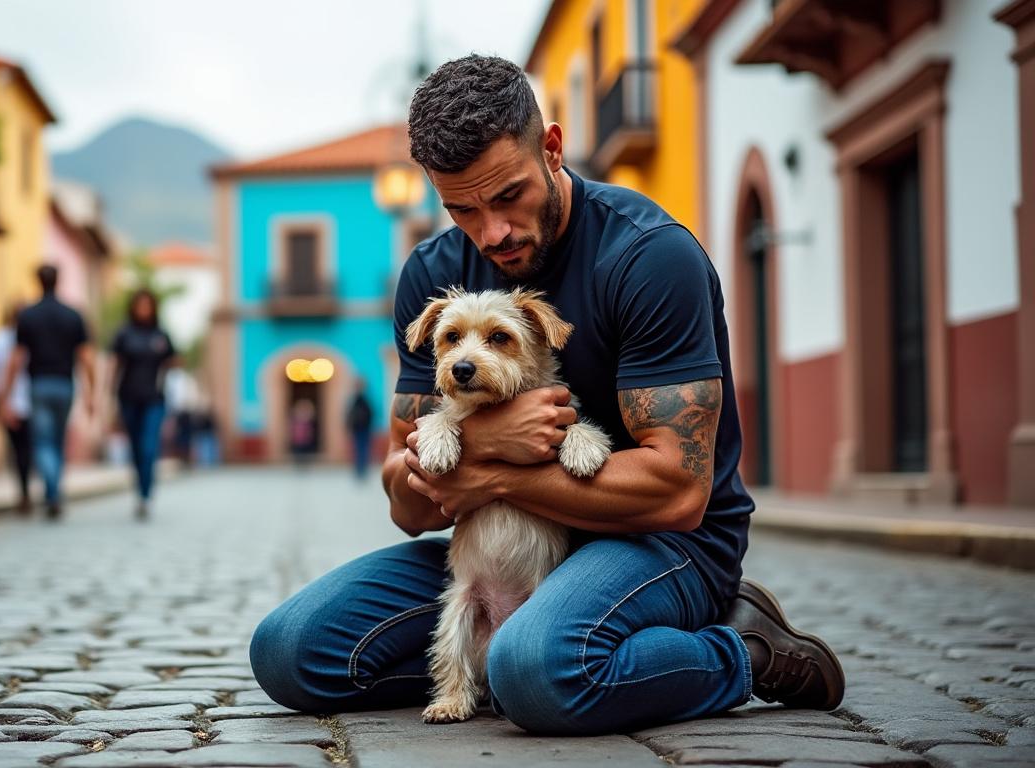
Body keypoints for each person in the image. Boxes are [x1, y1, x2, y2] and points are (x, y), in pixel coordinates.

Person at [250, 55, 844, 735]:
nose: (491, 232)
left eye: (508, 196)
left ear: (553, 149)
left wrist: (487, 471)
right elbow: (407, 500)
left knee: (533, 671)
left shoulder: (650, 257)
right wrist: (482, 442)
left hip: (661, 545)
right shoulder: (433, 275)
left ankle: (741, 650)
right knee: (289, 652)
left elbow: (677, 492)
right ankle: (534, 654)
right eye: (462, 209)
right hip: (506, 551)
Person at [1, 265, 94, 520]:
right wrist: (91, 393)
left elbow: (16, 358)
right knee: (57, 440)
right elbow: (87, 358)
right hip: (65, 384)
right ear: (58, 281)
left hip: (39, 384)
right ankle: (54, 492)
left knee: (42, 441)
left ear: (38, 282)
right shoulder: (73, 315)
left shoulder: (28, 316)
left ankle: (52, 490)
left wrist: (5, 394)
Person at [110, 289, 177, 520]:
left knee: (149, 446)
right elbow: (115, 366)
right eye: (140, 305)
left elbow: (173, 362)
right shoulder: (124, 334)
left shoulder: (161, 335)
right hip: (128, 398)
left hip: (154, 399)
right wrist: (107, 398)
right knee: (136, 449)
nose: (143, 309)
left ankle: (146, 495)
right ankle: (140, 489)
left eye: (147, 305)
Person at [0, 305, 32, 514]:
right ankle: (25, 491)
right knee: (26, 450)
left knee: (18, 450)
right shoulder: (28, 339)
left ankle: (24, 491)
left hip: (11, 402)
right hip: (27, 402)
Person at [346, 378, 374, 481]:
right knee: (359, 450)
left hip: (363, 430)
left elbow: (370, 414)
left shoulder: (363, 400)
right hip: (358, 430)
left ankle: (361, 470)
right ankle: (359, 470)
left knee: (362, 450)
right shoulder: (356, 400)